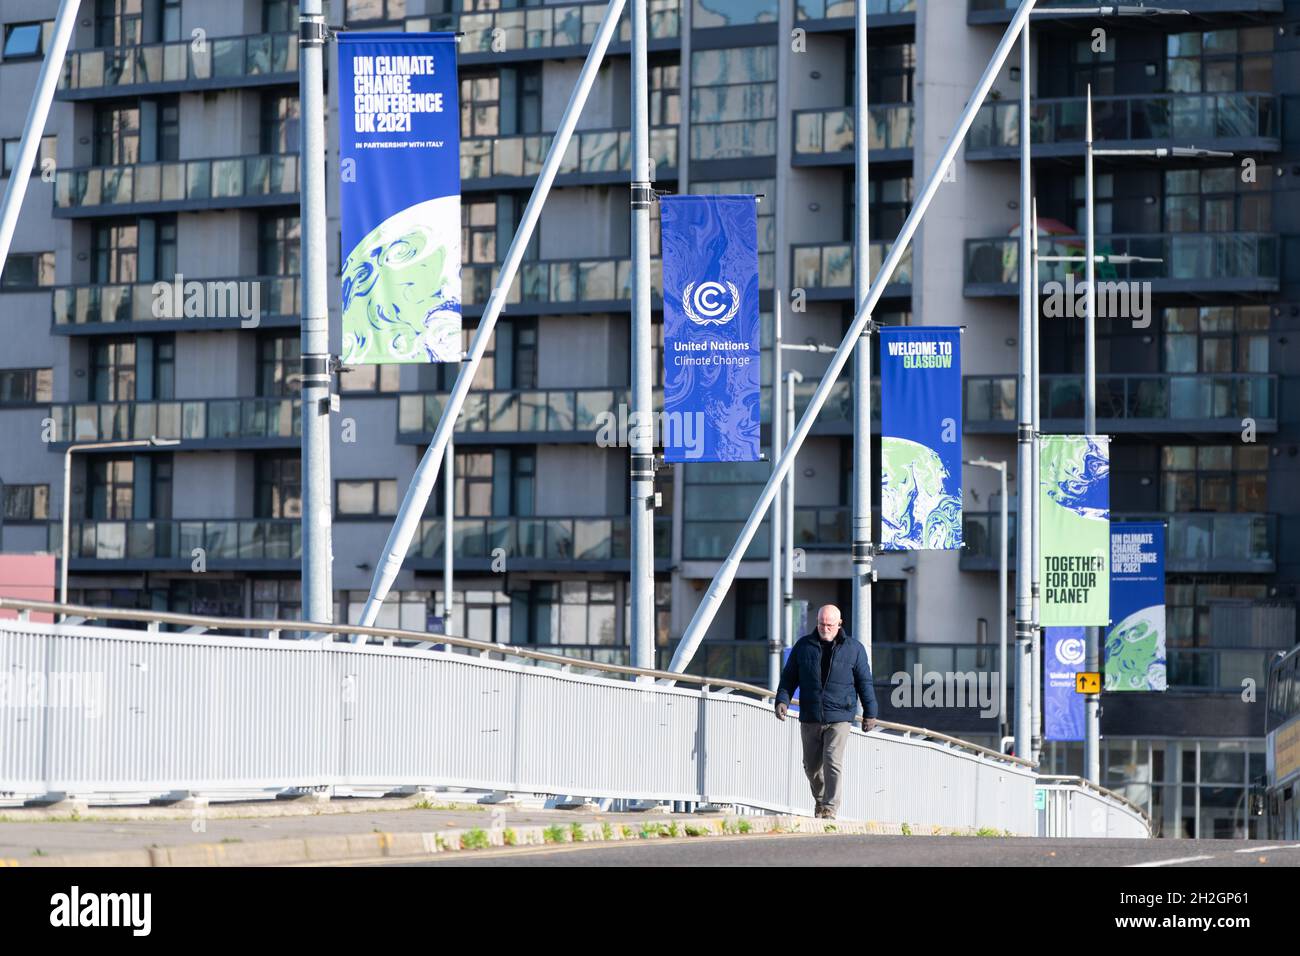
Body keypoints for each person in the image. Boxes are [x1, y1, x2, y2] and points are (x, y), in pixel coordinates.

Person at [774, 604, 878, 819]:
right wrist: (782, 699)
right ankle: (821, 800)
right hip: (811, 715)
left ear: (839, 624)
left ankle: (830, 808)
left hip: (840, 714)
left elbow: (865, 682)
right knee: (810, 767)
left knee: (832, 759)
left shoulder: (854, 649)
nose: (825, 628)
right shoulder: (803, 646)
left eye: (830, 624)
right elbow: (789, 677)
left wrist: (870, 712)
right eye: (821, 623)